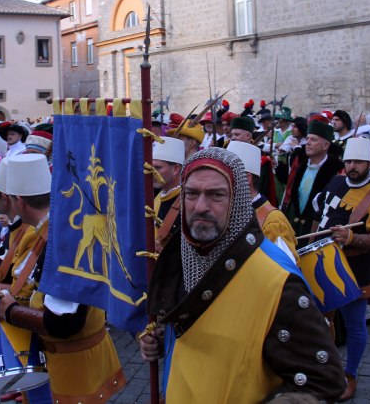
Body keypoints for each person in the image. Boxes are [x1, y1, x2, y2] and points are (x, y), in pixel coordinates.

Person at [139, 147, 345, 402]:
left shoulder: (277, 280)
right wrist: (163, 341)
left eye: (216, 195)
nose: (200, 206)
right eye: (191, 193)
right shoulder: (179, 256)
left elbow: (323, 382)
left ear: (237, 200)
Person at [0, 155, 126, 402]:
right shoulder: (52, 230)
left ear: (19, 201)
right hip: (68, 360)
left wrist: (10, 311)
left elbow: (65, 323)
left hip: (74, 367)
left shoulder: (61, 241)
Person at [313, 137, 370, 401]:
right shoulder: (336, 182)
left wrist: (352, 239)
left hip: (355, 270)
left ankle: (350, 375)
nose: (352, 166)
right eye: (349, 161)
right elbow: (320, 212)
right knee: (320, 320)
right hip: (324, 264)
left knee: (354, 325)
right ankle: (323, 370)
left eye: (358, 162)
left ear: (369, 164)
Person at [227, 140, 298, 260]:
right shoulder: (228, 211)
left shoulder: (273, 222)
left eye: (226, 174)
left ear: (246, 178)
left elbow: (285, 272)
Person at [282, 119, 344, 239]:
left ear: (326, 145)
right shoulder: (301, 165)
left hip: (316, 230)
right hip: (295, 227)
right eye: (308, 138)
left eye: (313, 140)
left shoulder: (335, 170)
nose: (308, 143)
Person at [152, 136, 185, 251]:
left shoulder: (187, 202)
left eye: (157, 167)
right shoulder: (157, 196)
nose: (152, 172)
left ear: (176, 169)